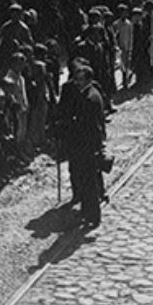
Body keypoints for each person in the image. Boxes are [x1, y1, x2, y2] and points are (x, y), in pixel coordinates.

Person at [55, 59, 109, 227]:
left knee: (88, 182)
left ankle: (92, 215)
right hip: (86, 145)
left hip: (85, 146)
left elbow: (87, 126)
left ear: (87, 80)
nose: (76, 82)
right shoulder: (90, 93)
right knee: (87, 181)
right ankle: (88, 212)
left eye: (79, 79)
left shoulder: (90, 98)